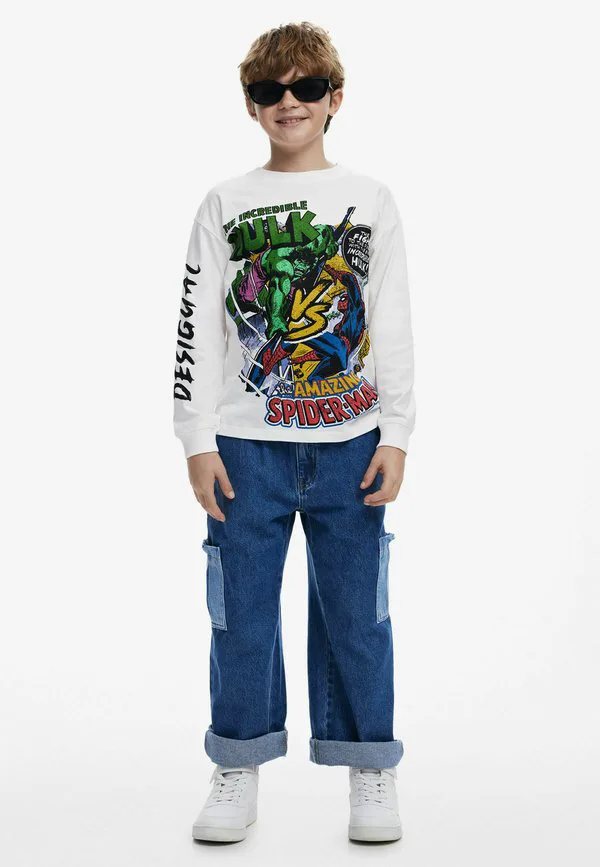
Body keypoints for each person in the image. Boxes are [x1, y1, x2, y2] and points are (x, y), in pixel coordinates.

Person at [173, 20, 416, 845]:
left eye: (307, 88)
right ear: (251, 104)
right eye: (271, 90)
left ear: (334, 98)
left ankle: (371, 766)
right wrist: (196, 438)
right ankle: (237, 762)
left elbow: (392, 321)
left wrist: (397, 432)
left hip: (352, 445)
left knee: (358, 616)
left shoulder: (371, 199)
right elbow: (195, 326)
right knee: (239, 613)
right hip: (246, 449)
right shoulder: (224, 202)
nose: (290, 102)